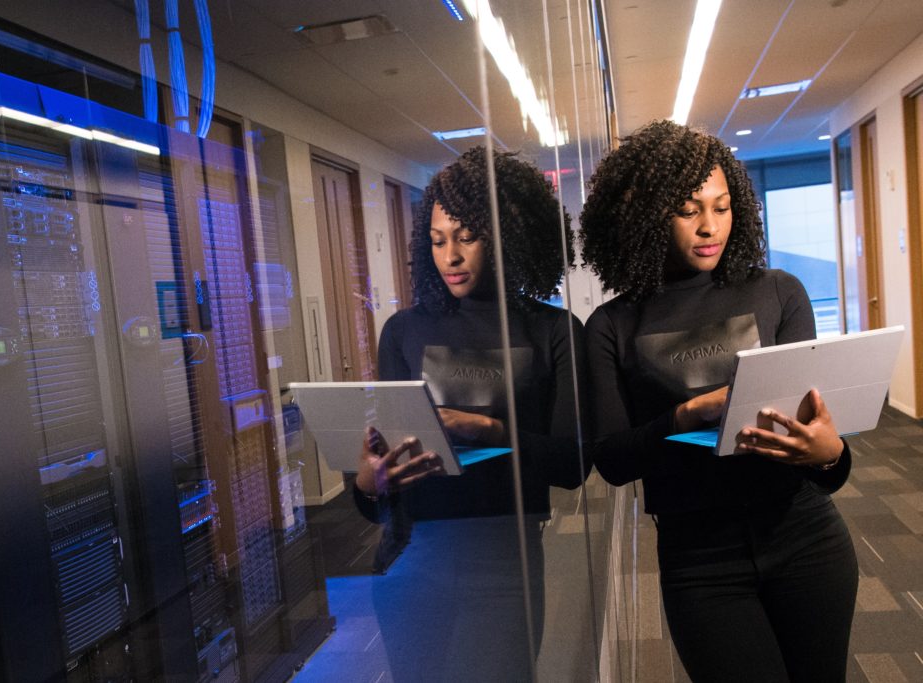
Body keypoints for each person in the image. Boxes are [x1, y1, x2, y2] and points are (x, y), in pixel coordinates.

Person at [578, 120, 857, 682]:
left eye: (723, 206)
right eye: (689, 209)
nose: (711, 226)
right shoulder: (612, 324)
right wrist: (683, 416)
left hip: (806, 539)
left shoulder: (778, 292)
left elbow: (824, 455)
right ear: (649, 215)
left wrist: (829, 454)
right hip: (700, 562)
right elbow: (611, 458)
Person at [352, 146, 587, 679]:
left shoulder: (552, 331)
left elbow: (573, 466)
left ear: (507, 238)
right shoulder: (404, 332)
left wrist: (492, 431)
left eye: (466, 237)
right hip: (411, 559)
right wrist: (369, 483)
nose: (450, 256)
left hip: (505, 559)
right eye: (437, 241)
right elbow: (380, 491)